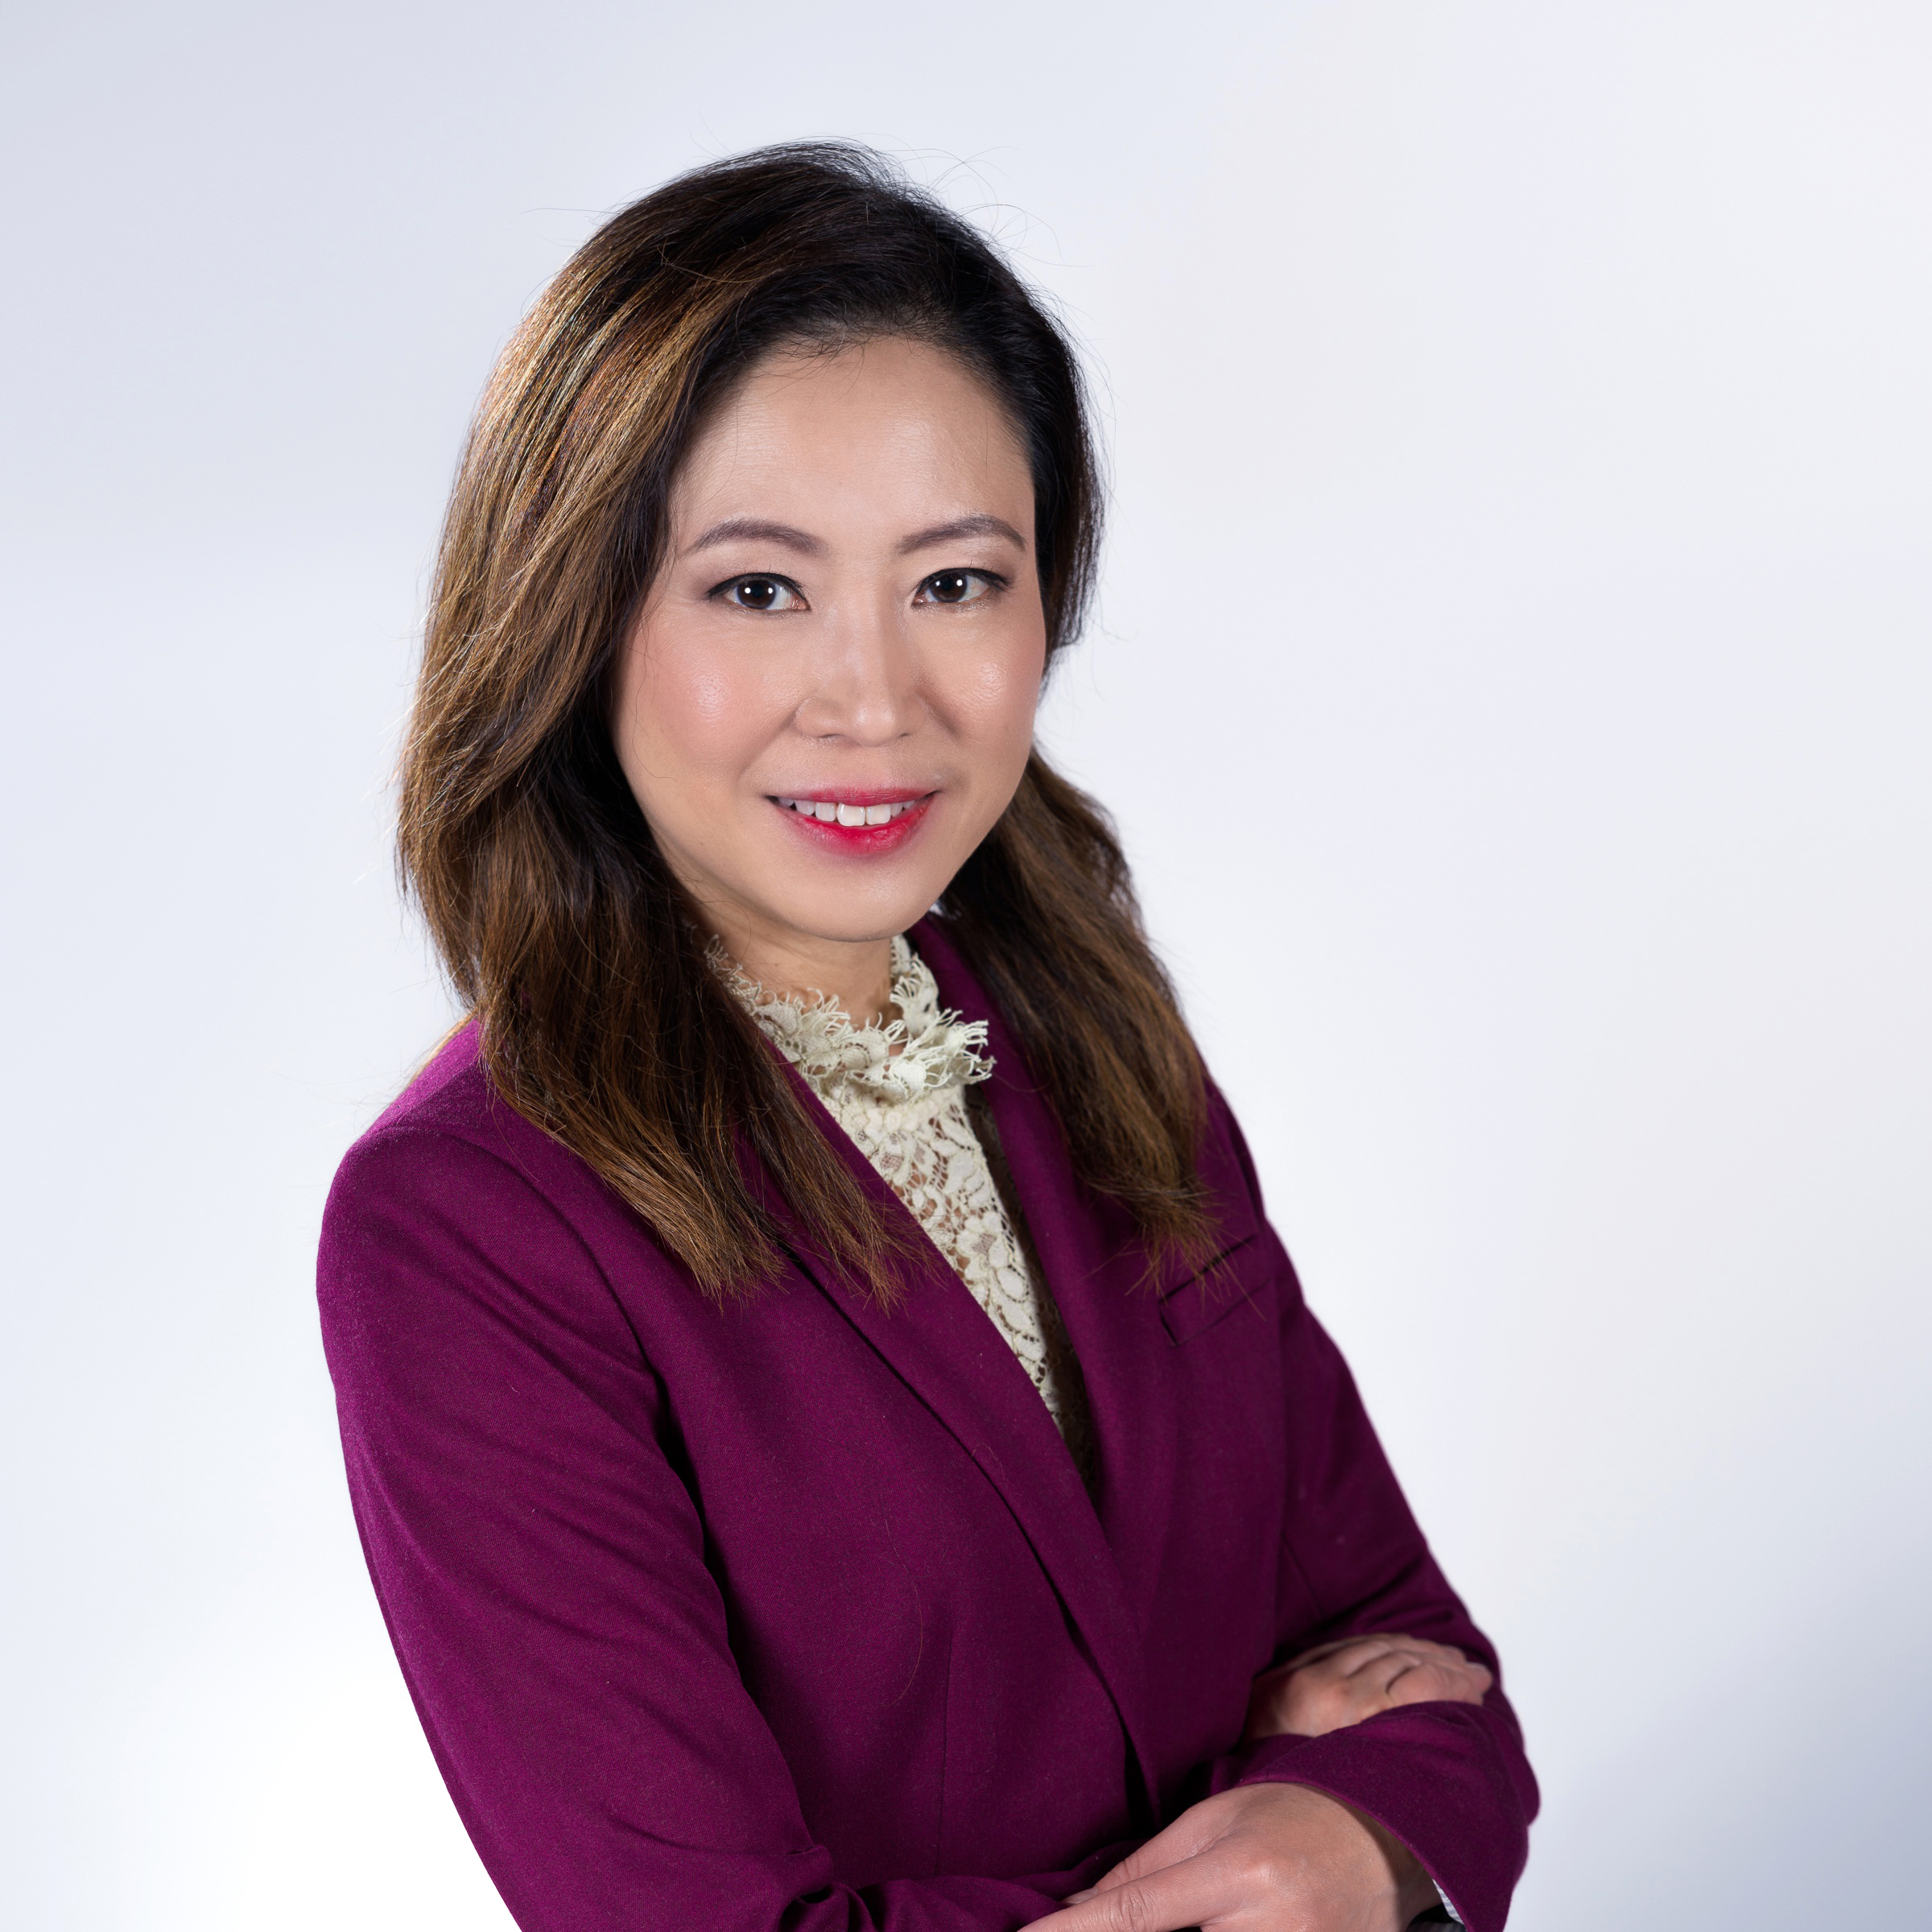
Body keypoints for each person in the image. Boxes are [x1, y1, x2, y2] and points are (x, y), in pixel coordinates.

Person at [317, 142, 1538, 1932]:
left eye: (956, 583)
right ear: (577, 619)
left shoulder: (1091, 1033)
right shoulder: (474, 1226)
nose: (877, 700)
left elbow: (1421, 1666)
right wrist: (1279, 1849)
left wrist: (1363, 1839)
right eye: (758, 589)